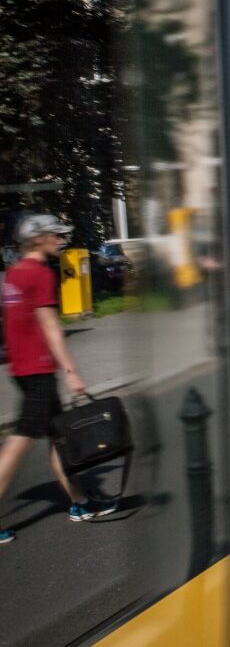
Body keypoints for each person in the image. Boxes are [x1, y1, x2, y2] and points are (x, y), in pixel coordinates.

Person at [0, 214, 115, 543]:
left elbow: (13, 324)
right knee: (19, 441)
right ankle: (80, 501)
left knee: (58, 437)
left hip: (23, 369)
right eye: (55, 234)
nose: (60, 239)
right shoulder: (39, 274)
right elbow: (50, 327)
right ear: (39, 239)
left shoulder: (14, 274)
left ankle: (79, 501)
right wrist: (72, 371)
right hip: (37, 370)